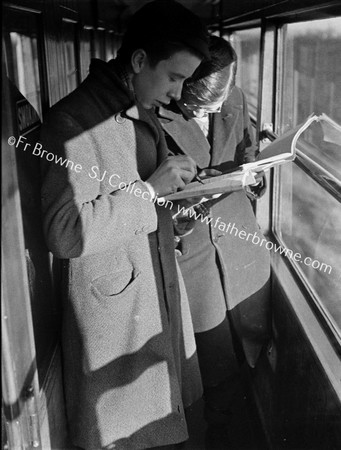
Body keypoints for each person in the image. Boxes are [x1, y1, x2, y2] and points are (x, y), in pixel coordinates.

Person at [39, 2, 210, 449]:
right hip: (117, 314)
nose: (177, 93)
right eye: (173, 77)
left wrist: (179, 199)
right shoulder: (72, 122)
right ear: (137, 61)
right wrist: (151, 191)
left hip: (151, 291)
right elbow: (65, 231)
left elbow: (136, 198)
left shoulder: (137, 103)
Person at [157, 36, 271, 441]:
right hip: (195, 258)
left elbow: (245, 151)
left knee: (254, 352)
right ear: (183, 86)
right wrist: (181, 210)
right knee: (212, 367)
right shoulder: (152, 113)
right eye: (204, 107)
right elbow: (150, 196)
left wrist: (255, 172)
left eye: (222, 100)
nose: (218, 110)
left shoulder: (233, 98)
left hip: (242, 247)